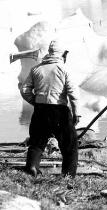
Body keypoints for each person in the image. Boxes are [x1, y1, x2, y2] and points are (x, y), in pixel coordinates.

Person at [20, 40, 80, 177]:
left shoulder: (37, 69)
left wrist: (35, 102)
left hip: (41, 110)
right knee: (69, 145)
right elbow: (73, 93)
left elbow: (24, 90)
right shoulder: (64, 69)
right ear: (63, 54)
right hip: (60, 111)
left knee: (36, 142)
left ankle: (32, 169)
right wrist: (77, 113)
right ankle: (68, 175)